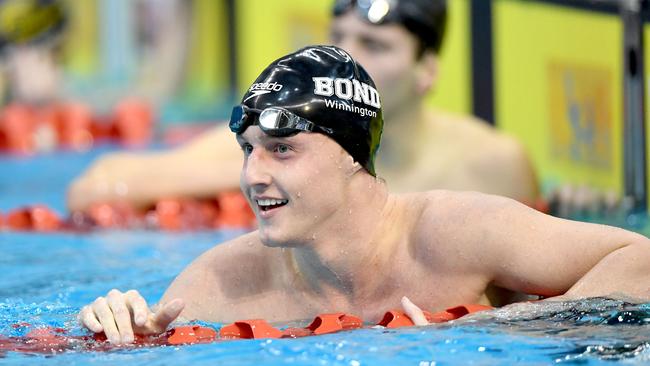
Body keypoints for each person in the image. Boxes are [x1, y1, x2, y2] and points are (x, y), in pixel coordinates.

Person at [79, 46, 650, 344]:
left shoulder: (452, 233)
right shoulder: (222, 282)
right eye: (248, 149)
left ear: (352, 153)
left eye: (282, 150)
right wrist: (119, 335)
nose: (252, 174)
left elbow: (640, 262)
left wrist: (514, 325)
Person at [67, 0, 538, 213]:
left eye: (374, 44)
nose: (347, 58)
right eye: (338, 38)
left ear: (426, 71)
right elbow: (96, 186)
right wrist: (258, 173)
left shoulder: (491, 165)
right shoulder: (278, 142)